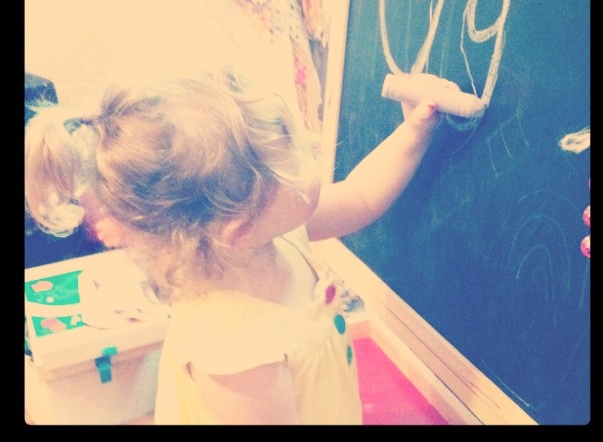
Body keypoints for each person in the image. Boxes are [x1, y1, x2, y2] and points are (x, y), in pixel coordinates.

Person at [24, 67, 458, 425]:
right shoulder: (237, 351)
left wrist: (415, 131)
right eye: (291, 151)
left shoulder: (273, 231)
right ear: (239, 227)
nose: (312, 144)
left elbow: (360, 196)